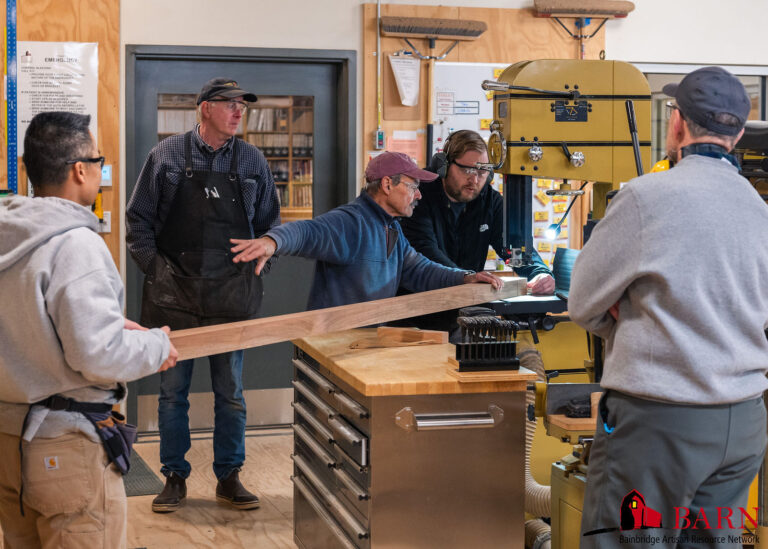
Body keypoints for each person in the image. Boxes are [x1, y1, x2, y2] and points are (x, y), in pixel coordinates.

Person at [569, 67, 768, 548]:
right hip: (741, 425)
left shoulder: (645, 198)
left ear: (676, 124)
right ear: (738, 132)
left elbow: (582, 304)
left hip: (658, 426)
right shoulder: (761, 211)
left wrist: (626, 316)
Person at [0, 111, 178, 548]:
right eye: (98, 160)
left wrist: (108, 324)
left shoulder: (10, 234)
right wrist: (156, 346)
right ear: (80, 170)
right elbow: (95, 355)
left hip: (8, 441)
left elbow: (28, 318)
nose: (100, 170)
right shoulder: (76, 243)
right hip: (64, 448)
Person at [126, 77, 280, 513]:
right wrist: (158, 273)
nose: (238, 112)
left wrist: (264, 256)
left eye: (243, 106)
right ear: (205, 109)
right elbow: (137, 223)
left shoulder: (252, 160)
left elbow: (271, 226)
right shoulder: (167, 156)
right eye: (229, 104)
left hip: (230, 295)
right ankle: (174, 477)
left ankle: (229, 476)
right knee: (173, 391)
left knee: (230, 391)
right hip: (174, 297)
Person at [230, 151, 503, 309]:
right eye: (412, 187)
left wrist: (466, 277)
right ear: (387, 185)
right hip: (336, 347)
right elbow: (307, 232)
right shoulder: (352, 222)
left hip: (367, 342)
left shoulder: (391, 228)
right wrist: (272, 241)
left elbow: (420, 270)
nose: (418, 196)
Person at [400, 129, 554, 294]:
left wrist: (538, 273)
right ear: (443, 166)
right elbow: (426, 252)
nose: (474, 180)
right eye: (467, 170)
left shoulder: (490, 202)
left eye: (482, 172)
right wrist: (466, 277)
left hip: (467, 301)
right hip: (421, 303)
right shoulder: (417, 196)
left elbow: (513, 247)